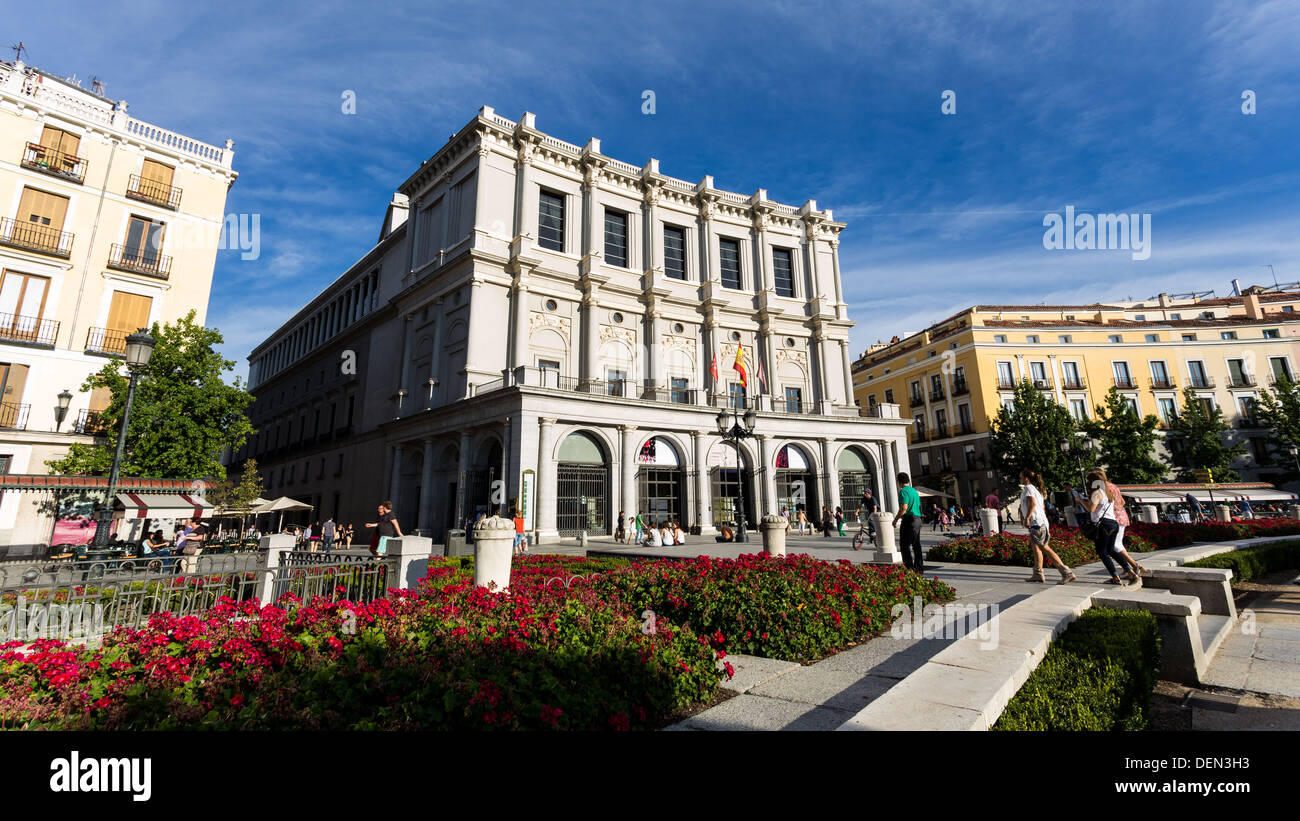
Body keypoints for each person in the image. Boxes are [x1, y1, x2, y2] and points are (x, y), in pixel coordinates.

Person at [1020, 470, 1076, 584]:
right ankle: (1038, 574)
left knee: (1044, 547)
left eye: (1021, 477)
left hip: (1036, 522)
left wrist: (1027, 517)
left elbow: (1032, 503)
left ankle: (1066, 572)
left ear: (1026, 478)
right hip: (1040, 522)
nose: (1020, 479)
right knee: (1037, 548)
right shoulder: (1036, 489)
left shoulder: (1029, 488)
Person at [1076, 469, 1125, 585]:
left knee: (1102, 551)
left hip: (1103, 525)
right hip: (1113, 523)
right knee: (1111, 550)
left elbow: (1090, 509)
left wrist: (1080, 501)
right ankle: (1129, 570)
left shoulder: (1096, 493)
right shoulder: (1107, 493)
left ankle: (1115, 577)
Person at [1104, 478, 1145, 582]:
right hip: (1122, 515)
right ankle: (1127, 568)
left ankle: (1135, 565)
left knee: (1115, 545)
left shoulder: (1105, 488)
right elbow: (1122, 501)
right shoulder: (1114, 486)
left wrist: (1112, 510)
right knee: (1118, 544)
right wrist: (1118, 509)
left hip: (1114, 518)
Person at [893, 472, 924, 573]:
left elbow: (904, 508)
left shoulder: (903, 491)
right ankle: (919, 568)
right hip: (918, 519)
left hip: (909, 519)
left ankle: (909, 568)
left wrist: (896, 519)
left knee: (904, 545)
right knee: (916, 544)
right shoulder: (914, 491)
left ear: (899, 482)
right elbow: (918, 506)